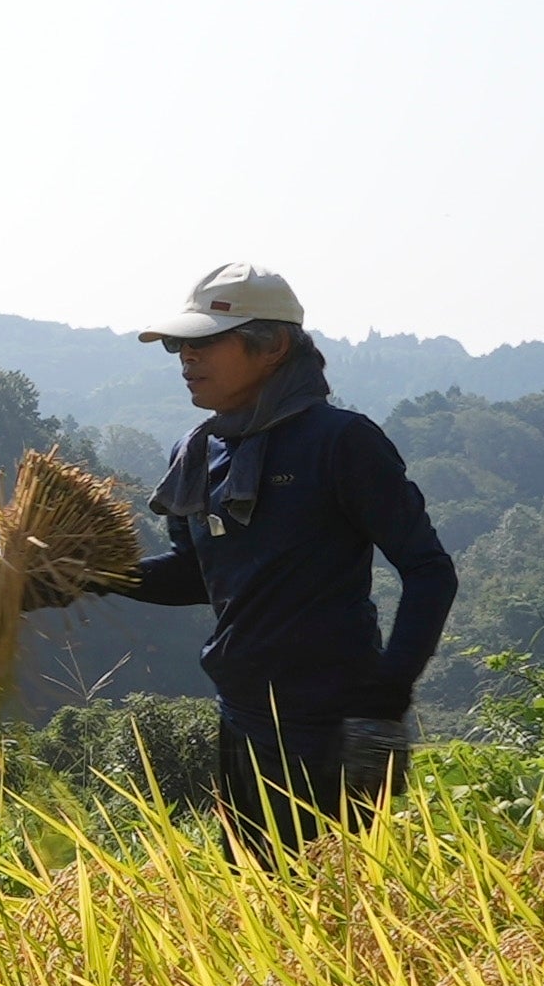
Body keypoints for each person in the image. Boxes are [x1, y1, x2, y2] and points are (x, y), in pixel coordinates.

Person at [54, 263, 458, 855]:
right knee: (254, 893)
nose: (187, 358)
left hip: (327, 723)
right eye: (178, 345)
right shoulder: (198, 451)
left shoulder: (339, 442)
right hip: (240, 714)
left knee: (329, 899)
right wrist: (90, 574)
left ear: (273, 347)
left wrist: (387, 697)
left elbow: (428, 571)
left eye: (204, 343)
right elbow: (197, 573)